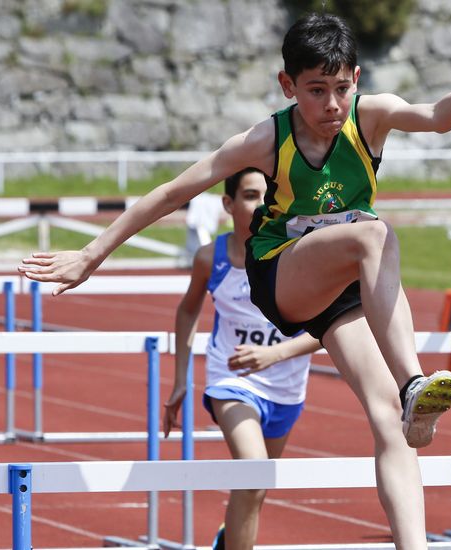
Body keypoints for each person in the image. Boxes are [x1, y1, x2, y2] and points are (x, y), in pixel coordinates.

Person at [19, 13, 451, 550]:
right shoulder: (267, 139)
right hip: (281, 274)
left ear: (357, 80)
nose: (332, 105)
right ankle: (414, 382)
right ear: (287, 85)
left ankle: (413, 525)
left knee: (389, 417)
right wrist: (91, 255)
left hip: (341, 285)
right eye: (316, 91)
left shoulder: (372, 116)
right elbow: (173, 192)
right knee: (373, 233)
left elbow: (433, 117)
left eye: (341, 89)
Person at [165, 167, 323, 550]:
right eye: (251, 196)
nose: (262, 205)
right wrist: (181, 378)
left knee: (257, 486)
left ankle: (228, 539)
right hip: (231, 380)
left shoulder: (300, 253)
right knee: (253, 472)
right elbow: (188, 310)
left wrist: (274, 353)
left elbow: (327, 329)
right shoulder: (211, 258)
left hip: (286, 387)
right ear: (228, 204)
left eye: (269, 195)